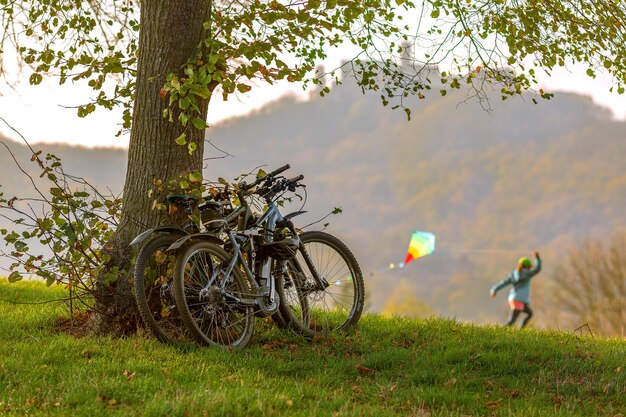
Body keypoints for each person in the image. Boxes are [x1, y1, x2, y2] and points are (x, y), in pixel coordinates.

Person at [490, 251, 542, 328]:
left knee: (530, 313)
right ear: (527, 267)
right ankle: (500, 330)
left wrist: (494, 289)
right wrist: (537, 258)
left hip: (513, 298)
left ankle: (520, 330)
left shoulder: (513, 274)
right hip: (519, 300)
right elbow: (537, 269)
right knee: (511, 321)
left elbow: (504, 282)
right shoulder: (528, 273)